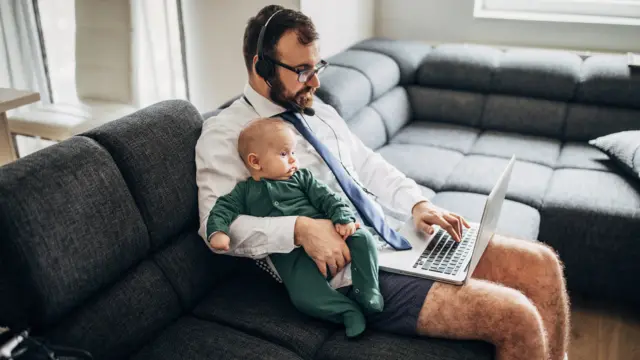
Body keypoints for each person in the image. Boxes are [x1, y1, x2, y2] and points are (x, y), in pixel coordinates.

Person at [195, 5, 570, 360]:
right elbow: (216, 224)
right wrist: (299, 229)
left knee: (542, 264)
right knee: (517, 316)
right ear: (262, 67)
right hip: (346, 272)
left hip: (393, 232)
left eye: (317, 66)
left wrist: (417, 204)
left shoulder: (316, 109)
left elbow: (367, 164)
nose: (316, 80)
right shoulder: (224, 133)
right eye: (303, 70)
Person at [207, 117, 383, 337]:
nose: (293, 160)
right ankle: (346, 311)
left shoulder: (303, 178)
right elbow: (221, 209)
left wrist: (342, 218)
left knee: (363, 238)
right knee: (304, 298)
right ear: (255, 162)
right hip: (291, 257)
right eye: (284, 154)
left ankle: (368, 290)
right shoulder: (244, 192)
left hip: (330, 232)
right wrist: (218, 232)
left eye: (293, 153)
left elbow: (329, 198)